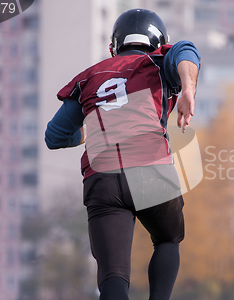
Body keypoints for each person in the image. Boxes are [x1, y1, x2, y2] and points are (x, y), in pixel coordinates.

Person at [44, 8, 200, 300]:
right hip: (150, 166)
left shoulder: (89, 78)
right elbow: (186, 50)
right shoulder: (157, 62)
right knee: (168, 238)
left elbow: (54, 136)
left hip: (102, 177)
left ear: (114, 45)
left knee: (113, 277)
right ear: (157, 42)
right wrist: (188, 87)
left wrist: (91, 132)